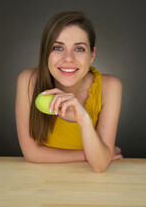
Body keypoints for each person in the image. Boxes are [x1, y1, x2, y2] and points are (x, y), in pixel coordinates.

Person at [15, 11, 123, 173]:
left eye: (79, 49)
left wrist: (83, 119)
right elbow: (31, 153)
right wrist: (87, 155)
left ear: (92, 55)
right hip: (41, 181)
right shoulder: (28, 80)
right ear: (46, 53)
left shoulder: (110, 87)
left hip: (90, 185)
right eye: (58, 47)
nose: (68, 59)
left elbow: (100, 165)